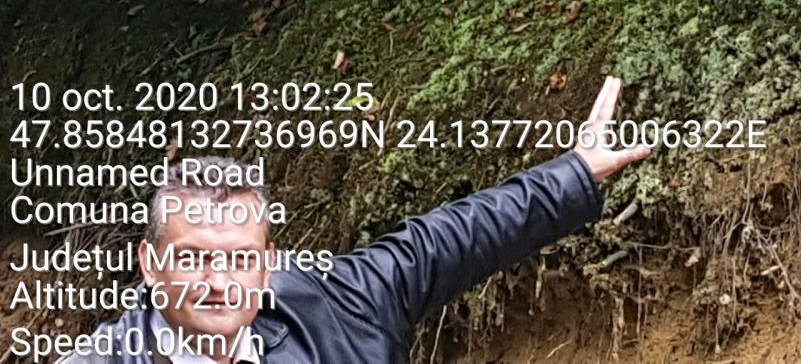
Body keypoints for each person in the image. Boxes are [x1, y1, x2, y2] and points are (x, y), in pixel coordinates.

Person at [60, 76, 649, 363]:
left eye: (239, 259)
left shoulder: (338, 310)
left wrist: (574, 174)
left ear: (267, 264)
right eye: (193, 259)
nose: (219, 283)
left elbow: (454, 239)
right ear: (150, 264)